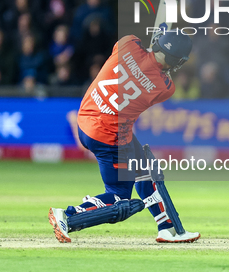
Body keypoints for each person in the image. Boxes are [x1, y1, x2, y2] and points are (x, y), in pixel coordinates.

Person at [48, 31, 200, 244]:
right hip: (110, 138)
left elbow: (141, 49)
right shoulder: (165, 87)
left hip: (86, 120)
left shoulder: (127, 44)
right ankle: (67, 215)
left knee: (145, 170)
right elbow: (157, 73)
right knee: (119, 197)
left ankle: (166, 228)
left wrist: (156, 42)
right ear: (178, 61)